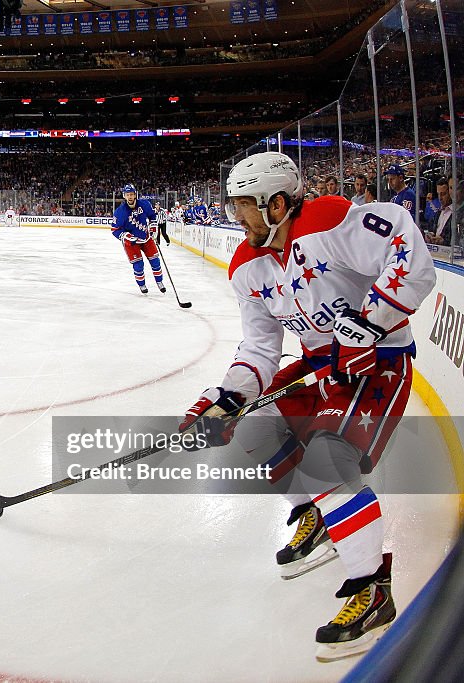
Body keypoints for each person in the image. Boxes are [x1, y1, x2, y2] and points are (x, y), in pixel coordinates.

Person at [180, 152, 434, 662]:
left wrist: (372, 320)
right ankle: (314, 515)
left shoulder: (325, 220)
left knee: (327, 462)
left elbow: (411, 251)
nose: (238, 218)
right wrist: (225, 397)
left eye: (245, 207)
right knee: (253, 428)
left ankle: (371, 590)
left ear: (277, 204)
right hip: (320, 363)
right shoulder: (246, 266)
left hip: (376, 362)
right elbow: (258, 347)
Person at [111, 184, 165, 295]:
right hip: (132, 243)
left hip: (146, 237)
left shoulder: (144, 204)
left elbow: (152, 216)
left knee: (155, 261)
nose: (130, 197)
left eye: (131, 194)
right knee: (138, 265)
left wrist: (153, 228)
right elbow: (115, 229)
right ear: (124, 196)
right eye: (127, 195)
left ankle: (159, 282)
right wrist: (127, 236)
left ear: (135, 194)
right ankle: (142, 285)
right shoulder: (120, 211)